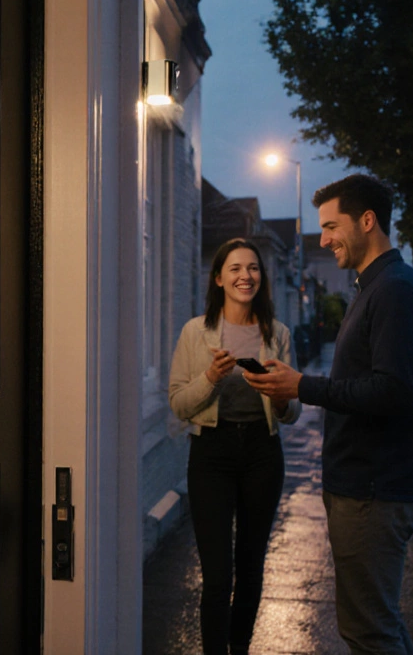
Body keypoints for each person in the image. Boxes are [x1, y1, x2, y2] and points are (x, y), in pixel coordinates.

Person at [243, 174, 413, 655]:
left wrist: (302, 386)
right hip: (367, 488)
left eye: (332, 226)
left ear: (367, 221)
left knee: (368, 632)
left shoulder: (394, 290)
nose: (324, 238)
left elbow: (396, 393)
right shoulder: (376, 287)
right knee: (379, 625)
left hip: (373, 492)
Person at [168, 238, 302, 655]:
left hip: (263, 454)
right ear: (219, 278)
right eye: (236, 269)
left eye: (254, 268)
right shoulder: (196, 331)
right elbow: (178, 404)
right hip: (212, 453)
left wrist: (279, 396)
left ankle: (239, 647)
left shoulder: (277, 333)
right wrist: (210, 376)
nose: (246, 276)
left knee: (250, 566)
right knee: (218, 574)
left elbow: (292, 411)